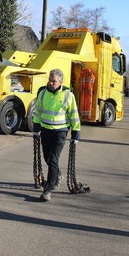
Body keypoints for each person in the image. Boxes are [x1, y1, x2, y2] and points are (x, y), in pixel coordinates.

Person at [32, 69, 81, 202]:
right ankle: (57, 175)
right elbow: (37, 112)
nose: (51, 83)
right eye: (50, 80)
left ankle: (48, 189)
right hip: (45, 130)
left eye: (54, 81)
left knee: (53, 159)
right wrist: (36, 129)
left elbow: (74, 115)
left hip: (60, 132)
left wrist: (75, 134)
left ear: (60, 82)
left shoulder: (68, 95)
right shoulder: (42, 93)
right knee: (47, 158)